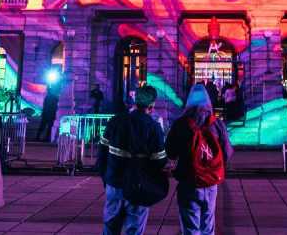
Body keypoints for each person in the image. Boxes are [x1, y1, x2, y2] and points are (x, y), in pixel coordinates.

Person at [96, 85, 166, 235]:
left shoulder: (115, 121)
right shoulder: (153, 127)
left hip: (114, 182)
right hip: (138, 185)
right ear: (151, 106)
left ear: (135, 101)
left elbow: (101, 153)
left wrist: (106, 178)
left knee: (110, 227)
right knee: (134, 229)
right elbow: (160, 160)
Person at [166, 84, 232, 235]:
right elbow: (227, 151)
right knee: (208, 224)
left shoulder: (181, 124)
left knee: (190, 226)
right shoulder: (217, 124)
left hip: (188, 181)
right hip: (210, 182)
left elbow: (170, 151)